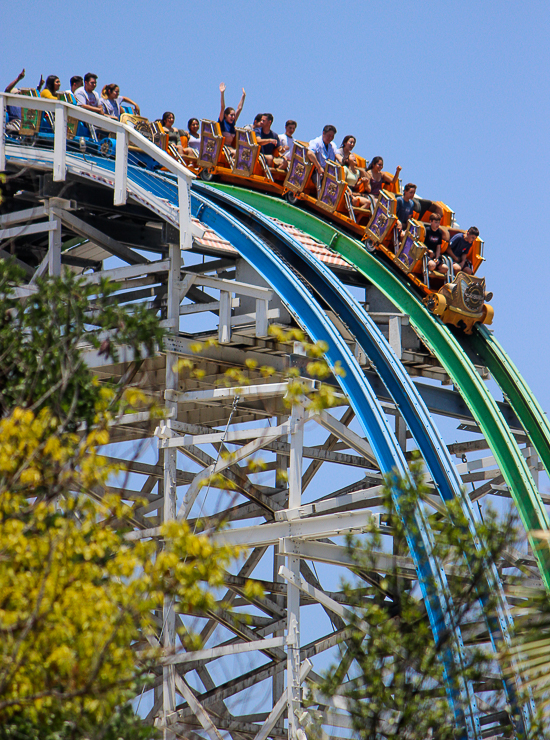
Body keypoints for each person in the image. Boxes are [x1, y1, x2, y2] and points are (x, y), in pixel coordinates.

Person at [218, 82, 246, 147]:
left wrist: (243, 96)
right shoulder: (222, 122)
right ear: (226, 115)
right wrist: (222, 93)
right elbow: (222, 107)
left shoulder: (232, 123)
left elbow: (239, 108)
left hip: (230, 148)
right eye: (231, 115)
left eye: (234, 115)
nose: (233, 117)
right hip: (223, 148)